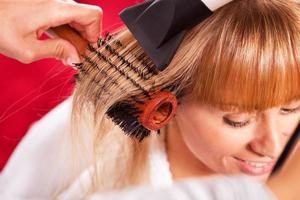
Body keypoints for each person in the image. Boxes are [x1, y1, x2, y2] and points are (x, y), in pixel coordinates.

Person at [0, 0, 299, 199]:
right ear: (169, 102)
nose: (272, 145)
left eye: (292, 108)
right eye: (237, 120)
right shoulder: (84, 142)